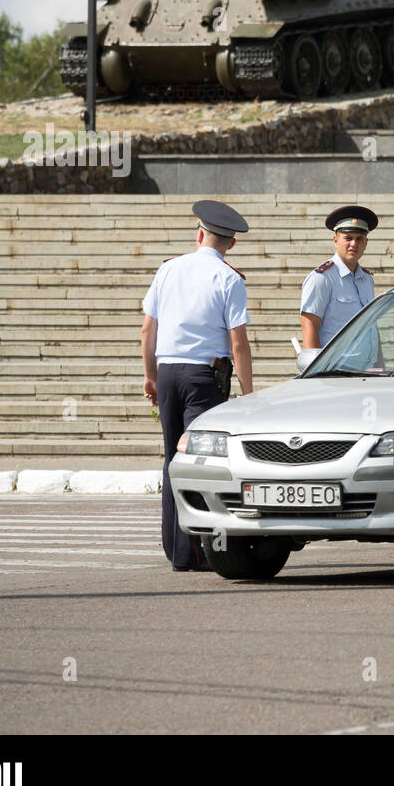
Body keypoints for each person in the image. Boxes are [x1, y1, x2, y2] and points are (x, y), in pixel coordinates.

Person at [141, 200, 254, 572]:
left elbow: (148, 329)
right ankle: (200, 551)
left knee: (172, 459)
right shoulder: (230, 278)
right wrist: (249, 394)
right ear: (231, 244)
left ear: (199, 233)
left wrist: (151, 376)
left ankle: (177, 550)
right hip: (204, 377)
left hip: (169, 372)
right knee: (202, 461)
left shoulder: (169, 270)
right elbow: (238, 342)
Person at [299, 205, 379, 350]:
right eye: (348, 238)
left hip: (365, 367)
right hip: (335, 368)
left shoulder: (367, 279)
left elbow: (371, 327)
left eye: (359, 239)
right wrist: (314, 369)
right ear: (335, 240)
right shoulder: (322, 278)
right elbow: (309, 324)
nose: (354, 244)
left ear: (366, 243)